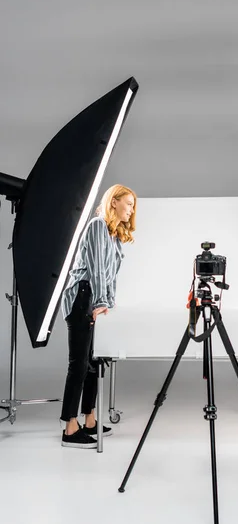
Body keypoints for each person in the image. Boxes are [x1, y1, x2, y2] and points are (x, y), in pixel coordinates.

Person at [60, 184, 136, 448]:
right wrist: (101, 302)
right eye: (128, 204)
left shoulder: (113, 234)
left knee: (95, 362)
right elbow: (96, 270)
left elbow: (110, 275)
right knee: (79, 363)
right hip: (83, 297)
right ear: (113, 202)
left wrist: (108, 304)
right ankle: (70, 427)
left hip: (95, 300)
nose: (131, 210)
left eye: (133, 206)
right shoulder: (96, 226)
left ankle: (89, 420)